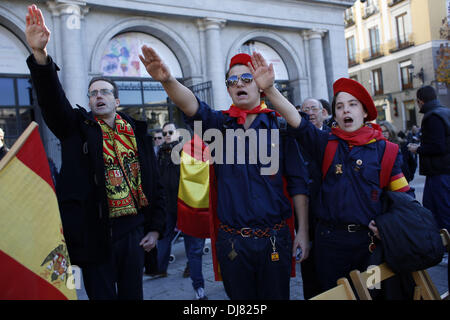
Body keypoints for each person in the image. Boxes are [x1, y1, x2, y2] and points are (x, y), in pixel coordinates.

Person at [139, 47, 310, 300]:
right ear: (228, 90)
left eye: (246, 78)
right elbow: (192, 106)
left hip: (275, 239)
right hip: (233, 243)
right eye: (232, 81)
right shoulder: (218, 126)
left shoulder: (280, 126)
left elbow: (298, 185)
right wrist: (168, 80)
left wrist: (303, 232)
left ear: (260, 85)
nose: (239, 83)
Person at [25, 5, 165, 300]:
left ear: (116, 99)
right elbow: (52, 103)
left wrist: (155, 230)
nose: (98, 96)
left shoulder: (139, 133)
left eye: (104, 92)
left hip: (133, 232)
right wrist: (40, 57)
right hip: (95, 235)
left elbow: (155, 185)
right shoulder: (77, 128)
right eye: (93, 93)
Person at [269, 77, 411, 291]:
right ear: (334, 114)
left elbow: (406, 199)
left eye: (353, 104)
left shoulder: (387, 150)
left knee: (371, 295)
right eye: (340, 106)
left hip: (370, 247)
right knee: (335, 295)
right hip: (330, 247)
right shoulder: (326, 144)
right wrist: (270, 88)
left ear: (364, 112)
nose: (346, 111)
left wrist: (388, 226)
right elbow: (295, 120)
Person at [296, 98, 331, 299]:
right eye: (305, 109)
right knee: (308, 261)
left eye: (313, 108)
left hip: (328, 207)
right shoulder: (295, 138)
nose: (309, 112)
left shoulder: (332, 136)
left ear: (323, 112)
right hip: (305, 206)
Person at [407, 86, 450, 234]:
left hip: (439, 172)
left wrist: (417, 149)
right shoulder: (445, 112)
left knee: (439, 210)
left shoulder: (432, 117)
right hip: (442, 171)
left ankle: (444, 245)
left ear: (420, 101)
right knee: (433, 208)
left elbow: (438, 146)